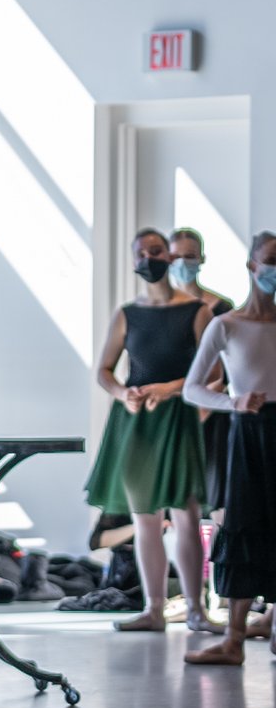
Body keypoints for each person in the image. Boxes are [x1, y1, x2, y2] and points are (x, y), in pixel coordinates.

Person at [84, 227, 214, 632]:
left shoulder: (197, 311)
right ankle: (154, 608)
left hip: (177, 419)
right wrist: (124, 394)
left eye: (155, 251)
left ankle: (196, 610)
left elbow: (214, 375)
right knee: (145, 519)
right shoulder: (128, 313)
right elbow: (104, 371)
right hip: (136, 421)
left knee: (186, 515)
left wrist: (169, 389)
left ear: (170, 256)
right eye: (140, 253)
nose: (148, 258)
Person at [183, 231, 276, 665]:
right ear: (252, 266)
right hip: (247, 431)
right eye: (271, 260)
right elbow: (192, 389)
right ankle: (234, 640)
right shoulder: (227, 324)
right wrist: (233, 402)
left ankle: (270, 628)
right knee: (240, 524)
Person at [169, 227, 234, 526]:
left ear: (202, 259)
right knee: (179, 500)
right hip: (172, 413)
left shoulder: (220, 309)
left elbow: (224, 369)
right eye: (178, 256)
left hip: (209, 412)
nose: (184, 263)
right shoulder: (161, 311)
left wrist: (203, 407)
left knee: (216, 494)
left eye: (190, 256)